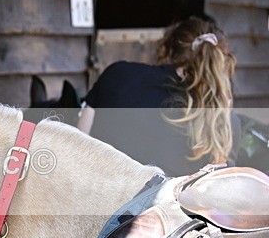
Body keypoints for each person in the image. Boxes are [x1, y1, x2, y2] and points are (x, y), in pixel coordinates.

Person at [77, 17, 239, 176]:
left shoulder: (117, 73)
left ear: (169, 49)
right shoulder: (221, 121)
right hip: (162, 194)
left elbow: (78, 144)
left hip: (99, 189)